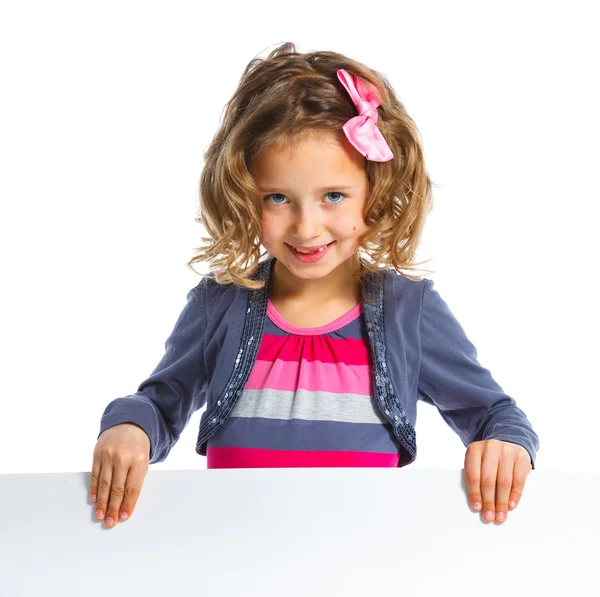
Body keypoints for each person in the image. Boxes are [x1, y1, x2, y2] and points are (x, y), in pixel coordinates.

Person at [91, 42, 539, 530]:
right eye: (278, 197)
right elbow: (161, 401)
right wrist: (130, 426)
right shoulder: (221, 302)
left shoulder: (407, 309)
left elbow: (494, 413)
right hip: (231, 549)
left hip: (363, 554)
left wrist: (507, 445)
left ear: (377, 191)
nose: (306, 228)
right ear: (243, 194)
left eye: (333, 196)